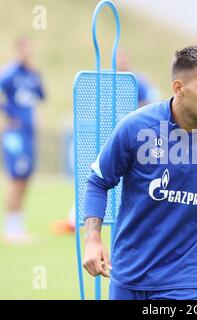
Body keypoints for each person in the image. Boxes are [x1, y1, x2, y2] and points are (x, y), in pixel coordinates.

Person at [81, 46, 197, 300]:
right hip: (128, 268)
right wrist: (93, 240)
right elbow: (98, 181)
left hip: (185, 275)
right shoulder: (136, 127)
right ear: (178, 87)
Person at [51, 48, 161, 235]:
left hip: (134, 138)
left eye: (122, 57)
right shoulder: (105, 82)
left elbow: (152, 103)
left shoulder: (136, 81)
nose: (119, 62)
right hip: (109, 135)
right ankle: (75, 218)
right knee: (96, 176)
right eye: (116, 58)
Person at [0, 36, 45, 245]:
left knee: (25, 178)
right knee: (15, 178)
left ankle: (18, 227)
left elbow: (41, 96)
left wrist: (37, 75)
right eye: (25, 49)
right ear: (18, 51)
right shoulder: (10, 73)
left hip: (28, 134)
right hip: (14, 135)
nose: (28, 53)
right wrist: (8, 112)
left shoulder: (32, 74)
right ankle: (10, 229)